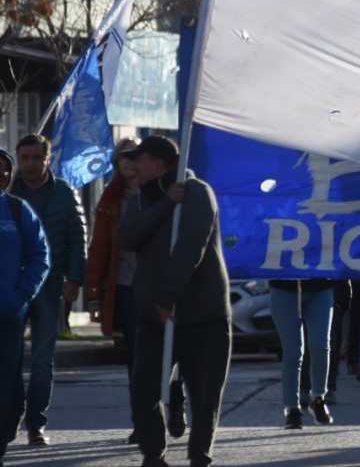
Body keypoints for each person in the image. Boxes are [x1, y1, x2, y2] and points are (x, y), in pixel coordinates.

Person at [120, 136, 231, 467]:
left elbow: (191, 247)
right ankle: (153, 453)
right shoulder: (142, 198)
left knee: (205, 393)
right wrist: (166, 203)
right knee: (144, 389)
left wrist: (168, 294)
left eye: (139, 159)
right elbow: (128, 237)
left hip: (203, 314)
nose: (133, 166)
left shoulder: (197, 192)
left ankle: (200, 454)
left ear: (159, 163)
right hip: (154, 316)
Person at [10, 133, 86, 448]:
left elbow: (78, 237)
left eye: (36, 158)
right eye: (24, 158)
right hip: (11, 288)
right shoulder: (8, 192)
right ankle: (10, 417)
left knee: (42, 359)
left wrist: (75, 278)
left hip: (50, 285)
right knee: (9, 358)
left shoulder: (64, 193)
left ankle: (36, 424)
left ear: (47, 159)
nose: (30, 164)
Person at [85, 138, 141, 443]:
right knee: (136, 357)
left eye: (135, 156)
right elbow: (99, 249)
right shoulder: (111, 198)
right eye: (123, 157)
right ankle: (142, 421)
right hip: (126, 287)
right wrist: (94, 294)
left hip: (159, 285)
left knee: (170, 353)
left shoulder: (159, 193)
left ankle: (173, 399)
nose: (129, 162)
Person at [0, 148, 50, 467]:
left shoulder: (17, 210)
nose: (2, 174)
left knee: (6, 381)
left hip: (7, 314)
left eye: (5, 169)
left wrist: (20, 296)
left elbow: (39, 256)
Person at [269, 279, 335, 429]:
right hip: (283, 286)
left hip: (320, 285)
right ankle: (292, 408)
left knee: (320, 345)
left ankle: (318, 398)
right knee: (292, 352)